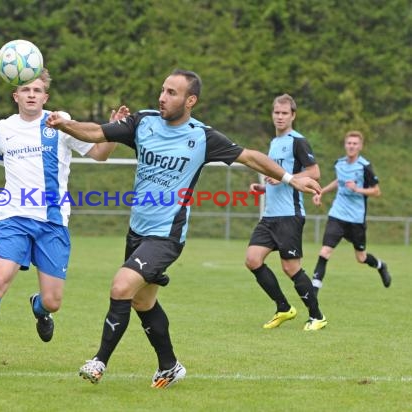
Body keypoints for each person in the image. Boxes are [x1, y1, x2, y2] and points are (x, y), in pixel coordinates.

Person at [46, 69, 321, 388]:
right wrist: (65, 124)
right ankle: (169, 366)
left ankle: (99, 361)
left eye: (172, 93)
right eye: (162, 90)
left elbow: (250, 157)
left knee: (121, 287)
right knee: (142, 302)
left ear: (190, 100)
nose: (162, 97)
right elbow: (96, 132)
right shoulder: (142, 122)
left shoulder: (202, 137)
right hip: (137, 231)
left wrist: (290, 178)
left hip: (166, 235)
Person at [0, 68, 122, 374]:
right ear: (15, 96)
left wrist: (113, 131)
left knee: (53, 301)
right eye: (25, 90)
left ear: (46, 97)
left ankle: (39, 308)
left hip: (53, 222)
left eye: (37, 90)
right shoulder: (4, 128)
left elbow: (99, 153)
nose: (31, 95)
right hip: (12, 218)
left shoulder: (60, 122)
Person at [245, 94, 327, 331]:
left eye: (284, 113)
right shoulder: (274, 143)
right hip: (270, 216)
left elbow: (314, 172)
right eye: (276, 113)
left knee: (290, 268)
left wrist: (283, 178)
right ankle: (283, 308)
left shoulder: (297, 141)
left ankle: (317, 316)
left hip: (289, 214)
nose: (280, 117)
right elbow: (280, 177)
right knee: (252, 260)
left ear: (293, 115)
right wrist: (264, 186)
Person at [311, 130, 391, 295]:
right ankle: (313, 290)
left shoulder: (364, 166)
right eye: (349, 143)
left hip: (356, 218)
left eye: (355, 144)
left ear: (360, 146)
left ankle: (381, 265)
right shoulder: (339, 163)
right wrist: (321, 192)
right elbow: (338, 181)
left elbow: (376, 191)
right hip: (337, 214)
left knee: (361, 258)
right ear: (345, 145)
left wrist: (357, 189)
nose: (351, 146)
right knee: (325, 251)